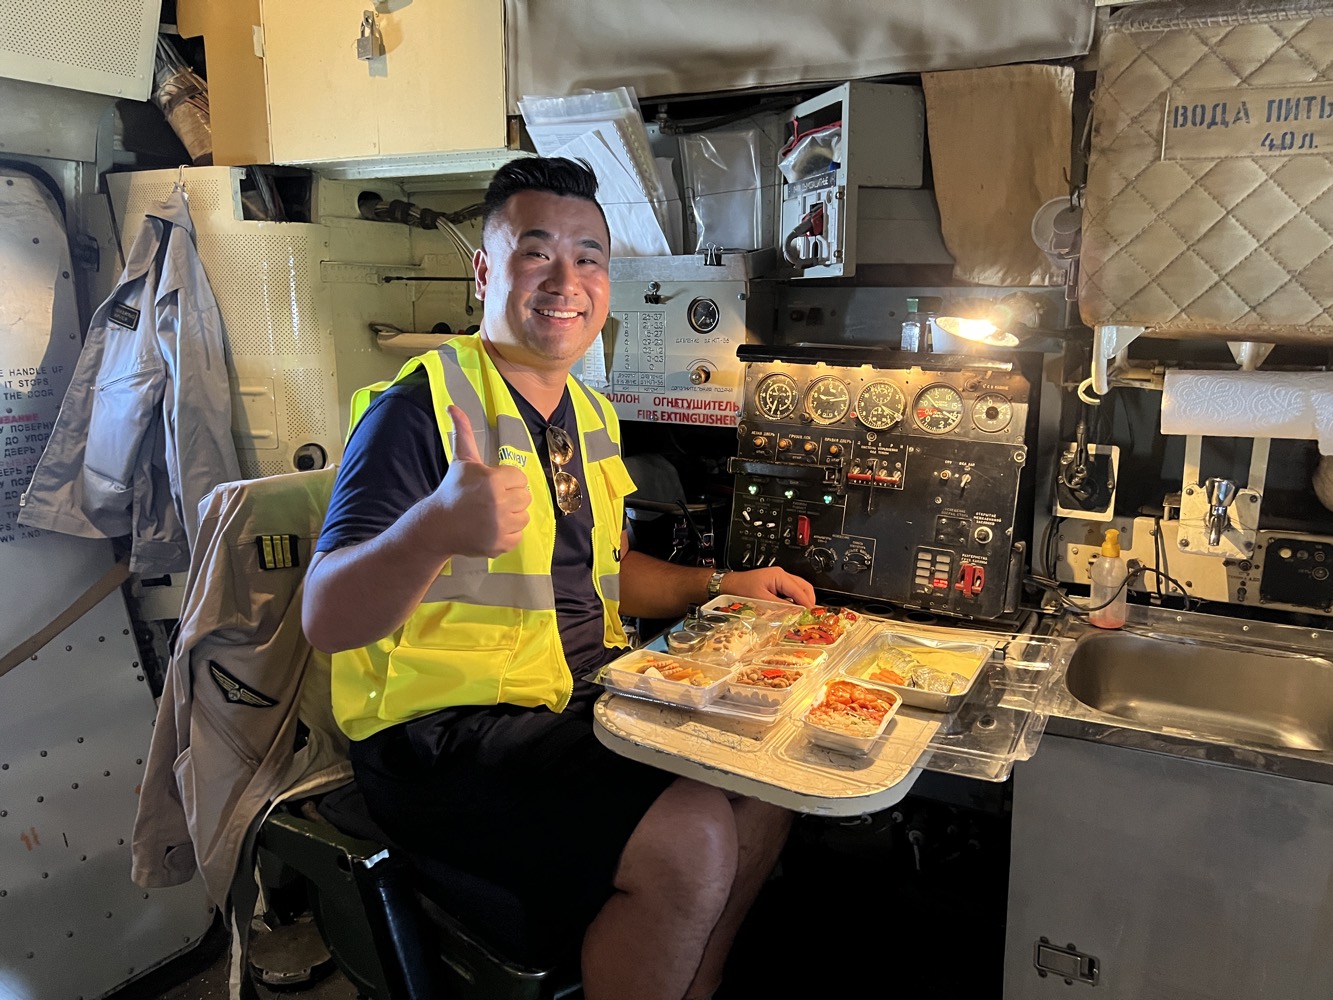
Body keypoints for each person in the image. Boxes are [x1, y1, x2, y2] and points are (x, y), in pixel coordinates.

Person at [302, 156, 816, 1000]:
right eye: (535, 252)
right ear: (484, 271)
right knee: (691, 837)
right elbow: (326, 617)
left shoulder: (587, 411)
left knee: (767, 782)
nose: (565, 278)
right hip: (441, 739)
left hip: (575, 701)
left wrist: (722, 585)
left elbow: (605, 578)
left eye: (588, 256)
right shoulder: (420, 409)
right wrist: (433, 528)